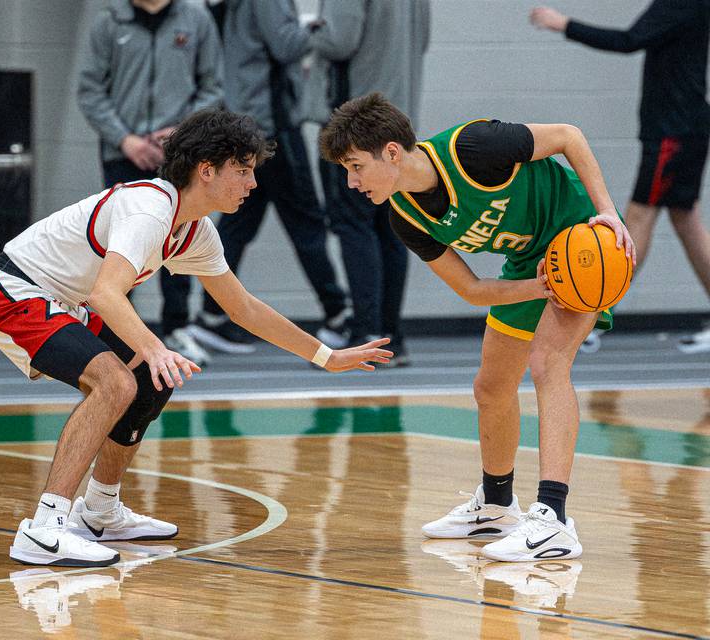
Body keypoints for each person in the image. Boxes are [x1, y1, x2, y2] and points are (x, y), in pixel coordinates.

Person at [0, 108, 392, 567]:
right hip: (15, 290)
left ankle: (98, 512)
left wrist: (325, 356)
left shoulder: (196, 230)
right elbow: (106, 293)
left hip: (66, 301)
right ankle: (45, 529)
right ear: (206, 170)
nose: (252, 184)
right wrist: (153, 348)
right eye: (243, 171)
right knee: (117, 381)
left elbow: (244, 308)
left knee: (152, 381)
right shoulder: (149, 207)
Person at [319, 93, 635, 562]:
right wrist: (541, 285)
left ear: (391, 152)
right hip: (535, 262)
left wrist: (606, 212)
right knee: (490, 387)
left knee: (548, 363)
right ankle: (496, 504)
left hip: (581, 237)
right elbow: (472, 290)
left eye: (355, 166)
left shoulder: (475, 147)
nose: (351, 181)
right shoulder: (406, 216)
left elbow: (569, 136)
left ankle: (553, 520)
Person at [531, 2, 710, 354]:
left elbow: (628, 40)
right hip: (681, 127)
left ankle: (594, 314)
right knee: (686, 220)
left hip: (673, 132)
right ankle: (597, 312)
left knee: (637, 219)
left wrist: (563, 24)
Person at [187, 0, 351, 355]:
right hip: (271, 127)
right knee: (306, 221)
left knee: (238, 222)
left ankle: (212, 314)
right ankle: (338, 312)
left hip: (249, 118)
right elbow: (287, 44)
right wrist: (317, 27)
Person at [78, 0, 224, 366]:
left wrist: (181, 133)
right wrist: (124, 139)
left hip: (178, 155)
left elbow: (213, 87)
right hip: (121, 153)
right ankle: (116, 334)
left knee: (176, 241)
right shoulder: (109, 21)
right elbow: (91, 91)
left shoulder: (196, 18)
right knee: (119, 245)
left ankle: (177, 327)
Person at [312, 0, 431, 366]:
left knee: (354, 225)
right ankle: (390, 336)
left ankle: (366, 332)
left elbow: (339, 41)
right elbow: (423, 40)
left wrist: (309, 31)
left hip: (355, 123)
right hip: (398, 122)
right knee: (391, 228)